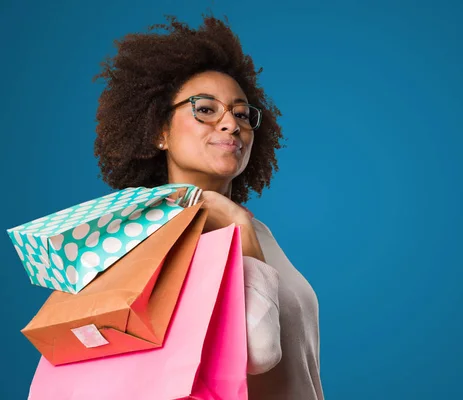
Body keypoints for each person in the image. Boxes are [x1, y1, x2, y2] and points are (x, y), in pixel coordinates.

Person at [93, 15, 324, 400]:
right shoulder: (155, 235)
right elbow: (260, 351)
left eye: (241, 112)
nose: (230, 124)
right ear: (159, 131)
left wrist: (238, 223)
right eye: (205, 109)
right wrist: (234, 222)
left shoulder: (258, 229)